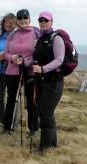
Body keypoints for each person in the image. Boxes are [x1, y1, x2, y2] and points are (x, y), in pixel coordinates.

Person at [32, 11, 65, 153]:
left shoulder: (56, 38)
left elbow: (59, 59)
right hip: (41, 82)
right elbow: (36, 59)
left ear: (51, 21)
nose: (43, 22)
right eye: (40, 20)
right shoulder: (40, 39)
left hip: (54, 82)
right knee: (45, 113)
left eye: (46, 20)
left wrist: (43, 69)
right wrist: (24, 61)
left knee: (46, 113)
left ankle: (44, 147)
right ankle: (52, 144)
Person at [3, 9, 39, 134]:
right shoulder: (12, 35)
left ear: (29, 19)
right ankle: (7, 127)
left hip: (30, 72)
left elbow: (39, 54)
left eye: (25, 18)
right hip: (12, 71)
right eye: (20, 18)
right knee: (11, 99)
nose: (23, 21)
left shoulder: (36, 33)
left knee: (31, 101)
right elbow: (6, 53)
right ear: (17, 21)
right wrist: (12, 58)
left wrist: (26, 61)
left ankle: (33, 128)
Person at [0, 13, 17, 124]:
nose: (8, 24)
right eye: (6, 22)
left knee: (12, 96)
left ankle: (11, 120)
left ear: (15, 24)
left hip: (12, 71)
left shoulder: (17, 37)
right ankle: (1, 119)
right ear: (3, 23)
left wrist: (6, 56)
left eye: (11, 22)